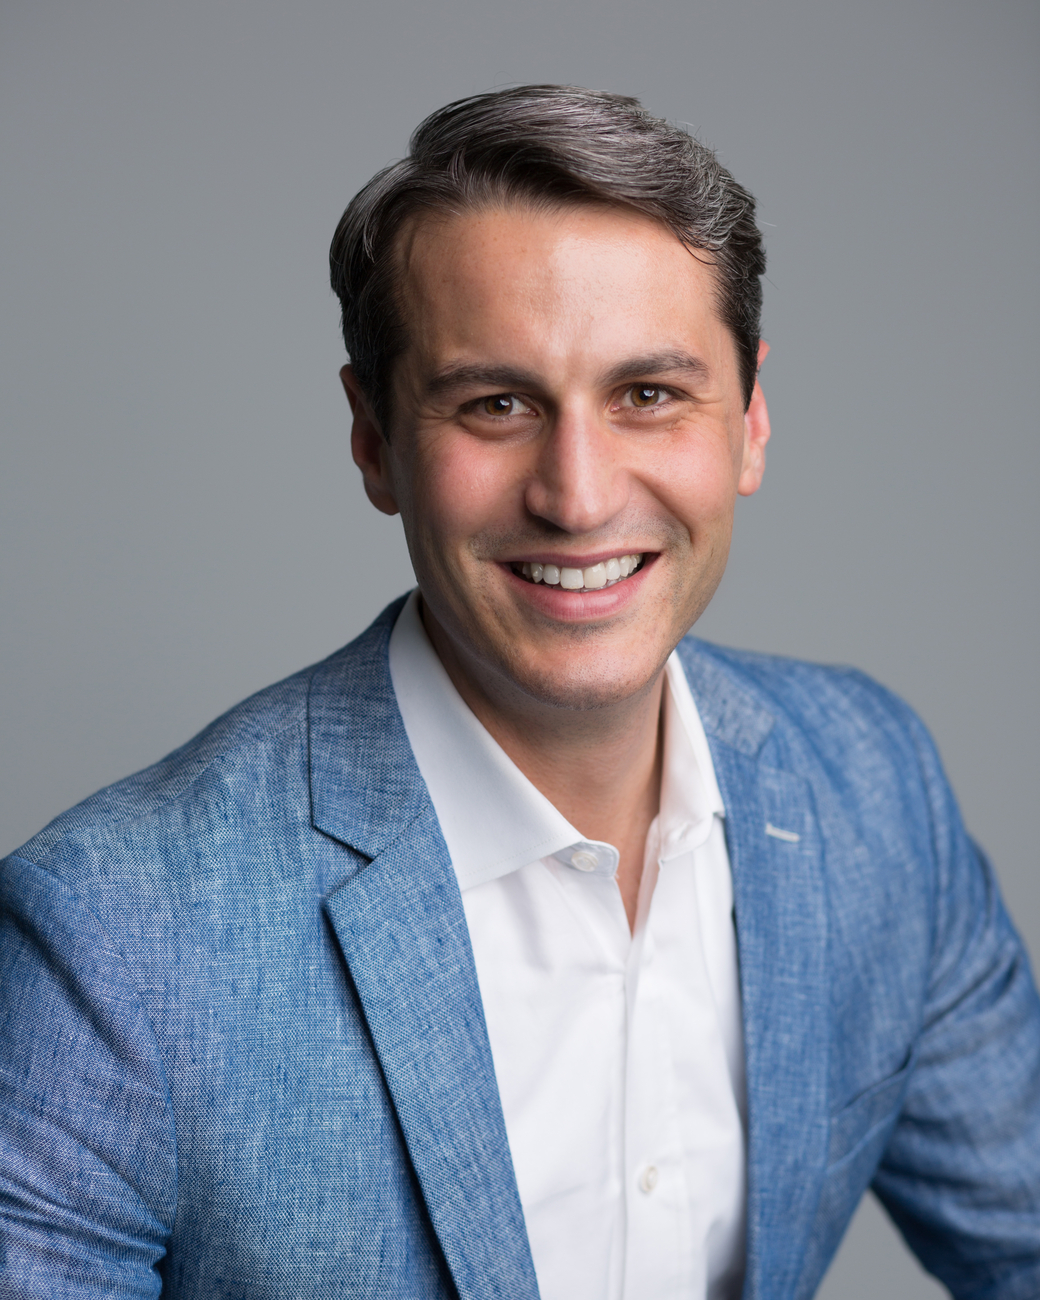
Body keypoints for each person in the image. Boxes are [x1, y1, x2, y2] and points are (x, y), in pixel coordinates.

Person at [0, 85, 1037, 1300]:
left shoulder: (871, 786)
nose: (578, 495)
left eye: (647, 394)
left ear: (749, 419)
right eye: (495, 404)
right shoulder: (115, 937)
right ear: (375, 440)